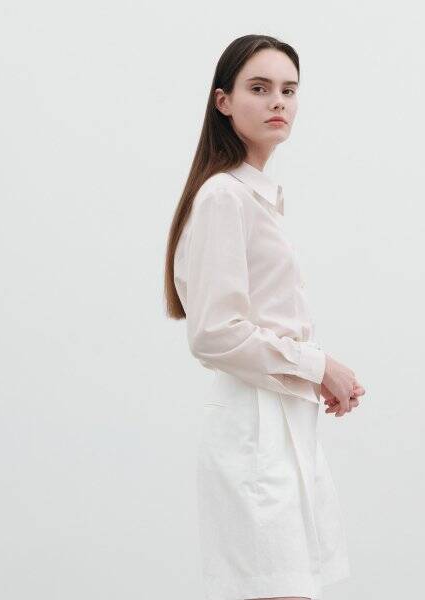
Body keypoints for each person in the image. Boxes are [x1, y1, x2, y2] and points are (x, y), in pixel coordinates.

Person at [164, 34, 366, 600]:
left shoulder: (259, 197)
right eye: (259, 88)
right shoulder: (223, 197)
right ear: (223, 101)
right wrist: (318, 365)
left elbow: (261, 322)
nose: (278, 101)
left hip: (282, 426)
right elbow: (214, 334)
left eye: (288, 90)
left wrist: (316, 372)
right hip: (253, 434)